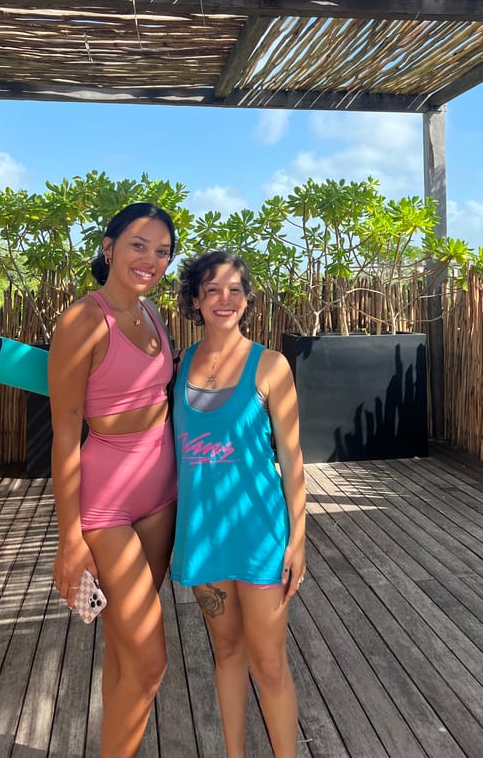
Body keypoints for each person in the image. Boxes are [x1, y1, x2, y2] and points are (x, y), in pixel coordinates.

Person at [49, 201, 178, 757]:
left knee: (124, 649)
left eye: (162, 252)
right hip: (107, 504)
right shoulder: (83, 320)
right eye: (138, 245)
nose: (151, 259)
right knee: (151, 663)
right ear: (109, 248)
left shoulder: (152, 314)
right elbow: (64, 437)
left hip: (162, 494)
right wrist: (69, 540)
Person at [171, 250, 307, 758]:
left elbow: (292, 459)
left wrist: (298, 541)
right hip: (204, 537)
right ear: (195, 300)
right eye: (212, 289)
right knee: (226, 652)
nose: (224, 299)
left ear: (247, 300)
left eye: (234, 290)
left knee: (268, 665)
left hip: (260, 539)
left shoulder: (270, 366)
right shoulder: (178, 365)